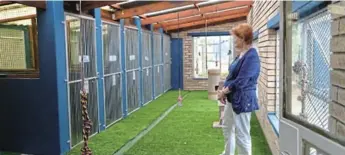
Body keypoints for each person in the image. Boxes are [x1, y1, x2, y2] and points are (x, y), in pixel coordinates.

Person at [217, 23, 260, 155]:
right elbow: (231, 75)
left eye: (235, 37)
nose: (234, 40)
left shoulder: (252, 56)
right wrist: (224, 91)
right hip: (232, 98)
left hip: (242, 100)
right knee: (227, 127)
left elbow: (241, 81)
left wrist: (223, 91)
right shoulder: (241, 55)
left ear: (243, 38)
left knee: (242, 134)